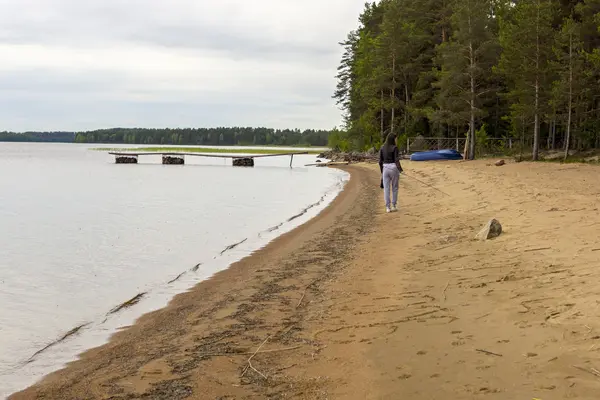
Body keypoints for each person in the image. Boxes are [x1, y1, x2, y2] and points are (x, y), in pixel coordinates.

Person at [379, 133, 403, 213]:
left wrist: (382, 171)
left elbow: (380, 161)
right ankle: (394, 205)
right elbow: (396, 160)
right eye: (396, 139)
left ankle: (387, 208)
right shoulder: (395, 148)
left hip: (385, 168)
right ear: (393, 139)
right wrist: (400, 169)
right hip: (393, 168)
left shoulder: (382, 147)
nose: (397, 140)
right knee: (395, 188)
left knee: (386, 188)